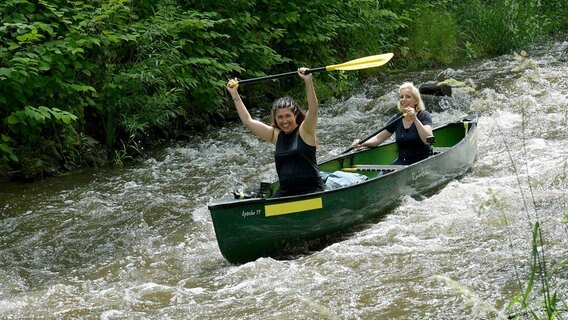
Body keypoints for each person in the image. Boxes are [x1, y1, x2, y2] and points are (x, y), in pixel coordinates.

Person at [226, 68, 324, 197]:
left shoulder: (306, 130)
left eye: (288, 116)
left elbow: (313, 110)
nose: (284, 121)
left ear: (295, 115)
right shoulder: (276, 135)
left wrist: (308, 81)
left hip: (312, 192)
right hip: (285, 193)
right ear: (275, 119)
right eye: (280, 117)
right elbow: (248, 122)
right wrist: (234, 94)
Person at [351, 82, 434, 165]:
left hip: (422, 161)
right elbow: (378, 139)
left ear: (416, 101)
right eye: (401, 97)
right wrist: (361, 143)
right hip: (402, 162)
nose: (403, 99)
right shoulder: (397, 118)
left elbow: (428, 140)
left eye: (408, 97)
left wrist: (415, 119)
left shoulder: (424, 115)